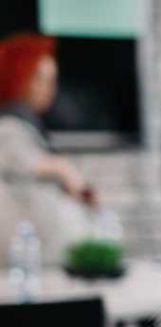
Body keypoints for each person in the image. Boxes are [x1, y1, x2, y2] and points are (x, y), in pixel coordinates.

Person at [0, 33, 95, 266]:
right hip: (27, 263)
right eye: (39, 79)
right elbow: (44, 167)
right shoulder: (9, 129)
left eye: (52, 80)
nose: (48, 89)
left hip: (44, 259)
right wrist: (66, 171)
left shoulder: (29, 127)